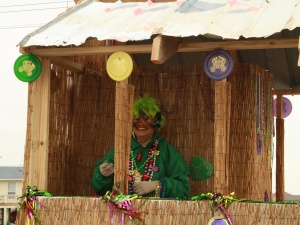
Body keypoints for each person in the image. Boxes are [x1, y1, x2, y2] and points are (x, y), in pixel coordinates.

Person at [91, 95, 190, 199]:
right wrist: (103, 175)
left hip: (158, 212)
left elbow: (183, 187)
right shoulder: (120, 149)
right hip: (123, 212)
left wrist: (157, 185)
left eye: (147, 119)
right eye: (136, 119)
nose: (141, 124)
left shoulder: (167, 151)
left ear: (157, 122)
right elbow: (100, 189)